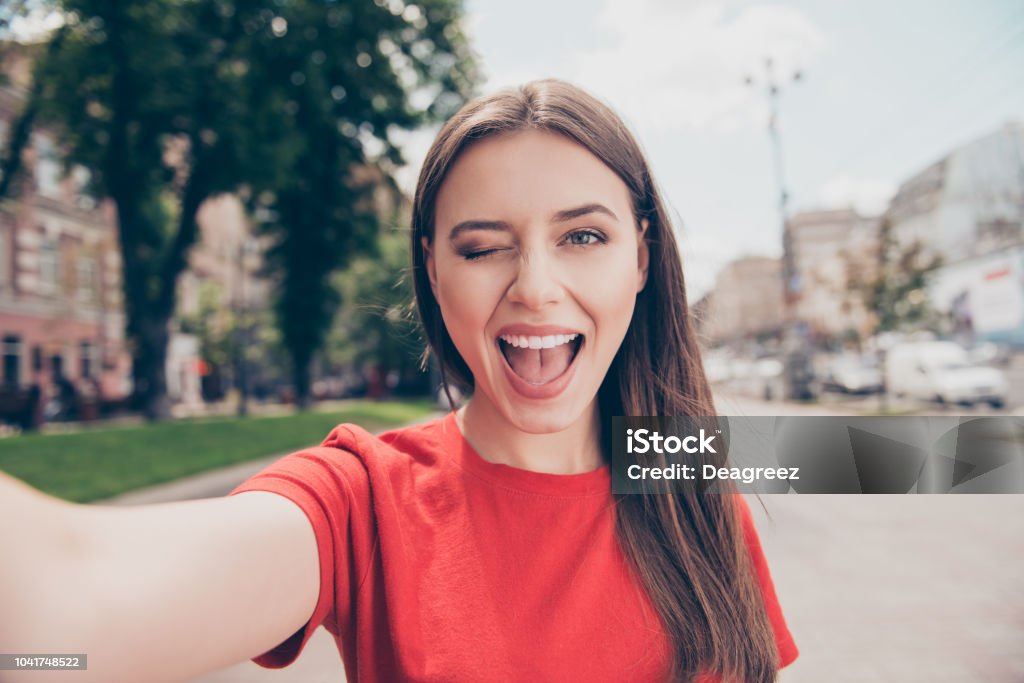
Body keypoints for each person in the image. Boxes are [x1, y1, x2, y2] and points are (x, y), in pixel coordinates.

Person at [0, 79, 797, 682]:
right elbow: (64, 614)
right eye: (483, 246)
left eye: (583, 235)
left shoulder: (691, 473)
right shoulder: (364, 500)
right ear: (433, 270)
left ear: (643, 257)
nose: (536, 286)